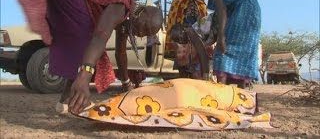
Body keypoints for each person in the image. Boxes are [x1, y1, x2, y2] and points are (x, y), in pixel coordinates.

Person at [17, 0, 163, 114]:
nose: (141, 33)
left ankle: (65, 101)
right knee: (89, 45)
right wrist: (85, 76)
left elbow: (121, 55)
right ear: (143, 12)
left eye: (146, 34)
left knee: (87, 48)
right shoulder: (122, 4)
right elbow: (100, 36)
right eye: (145, 27)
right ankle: (77, 97)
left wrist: (127, 85)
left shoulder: (124, 21)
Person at [76, 79, 272, 131]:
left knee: (143, 99)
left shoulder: (224, 96)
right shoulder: (226, 94)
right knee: (146, 97)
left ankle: (106, 108)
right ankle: (107, 108)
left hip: (179, 91)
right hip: (180, 89)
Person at [201, 0, 261, 88]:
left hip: (244, 10)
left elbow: (221, 10)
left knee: (223, 50)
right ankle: (240, 94)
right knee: (244, 52)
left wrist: (221, 37)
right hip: (253, 11)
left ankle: (221, 91)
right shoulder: (231, 1)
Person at [165, 0, 209, 78]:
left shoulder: (201, 0)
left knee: (198, 70)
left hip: (198, 38)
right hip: (182, 38)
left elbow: (205, 20)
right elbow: (173, 18)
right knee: (183, 70)